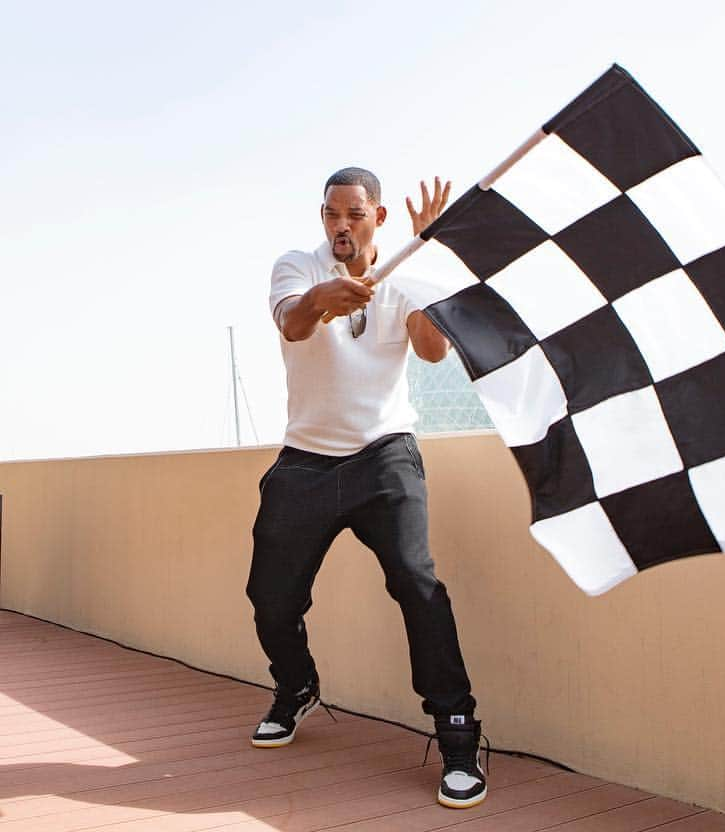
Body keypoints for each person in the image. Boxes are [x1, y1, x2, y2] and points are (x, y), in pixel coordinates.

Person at [246, 167, 486, 809]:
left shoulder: (406, 272)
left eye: (354, 214)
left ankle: (458, 734)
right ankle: (296, 686)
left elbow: (432, 352)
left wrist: (431, 265)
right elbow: (295, 326)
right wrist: (327, 296)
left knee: (417, 583)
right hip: (307, 459)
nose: (341, 226)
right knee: (269, 596)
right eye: (331, 214)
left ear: (378, 217)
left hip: (385, 455)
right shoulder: (297, 267)